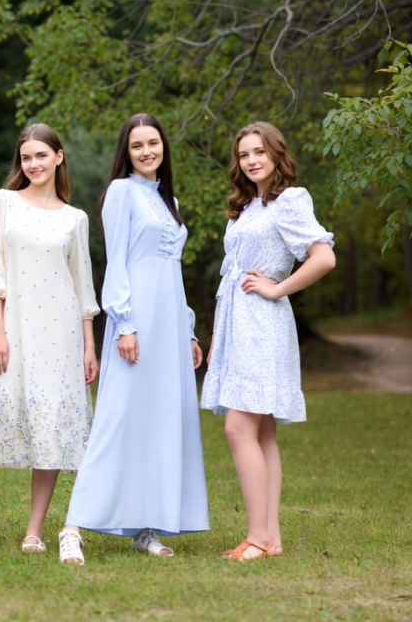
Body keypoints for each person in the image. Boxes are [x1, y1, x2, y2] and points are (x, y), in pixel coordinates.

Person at [59, 113, 207, 566]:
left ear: (164, 147)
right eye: (137, 145)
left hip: (169, 324)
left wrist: (187, 330)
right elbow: (117, 260)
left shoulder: (168, 199)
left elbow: (172, 271)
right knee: (117, 418)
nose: (147, 151)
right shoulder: (121, 192)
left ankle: (146, 528)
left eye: (153, 143)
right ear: (126, 151)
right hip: (136, 320)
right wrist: (124, 323)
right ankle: (71, 528)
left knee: (161, 419)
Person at [0, 124, 99, 554]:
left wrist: (89, 346)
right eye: (26, 157)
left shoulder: (75, 218)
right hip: (13, 331)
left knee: (50, 430)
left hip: (62, 336)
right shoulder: (4, 202)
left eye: (41, 156)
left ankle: (34, 530)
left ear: (59, 157)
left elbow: (82, 286)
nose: (33, 164)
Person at [202, 121, 335, 561]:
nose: (251, 160)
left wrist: (277, 289)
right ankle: (269, 539)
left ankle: (258, 537)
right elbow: (232, 273)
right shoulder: (248, 207)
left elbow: (324, 257)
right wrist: (220, 333)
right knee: (260, 433)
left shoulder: (289, 201)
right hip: (237, 323)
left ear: (277, 154)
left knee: (238, 428)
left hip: (262, 323)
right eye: (244, 154)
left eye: (259, 151)